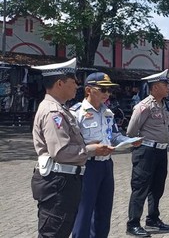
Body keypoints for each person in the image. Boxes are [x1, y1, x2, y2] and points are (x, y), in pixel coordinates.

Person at [30, 58, 113, 238]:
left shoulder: (61, 109)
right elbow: (61, 152)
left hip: (65, 180)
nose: (77, 86)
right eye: (73, 82)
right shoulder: (54, 112)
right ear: (60, 83)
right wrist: (91, 150)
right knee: (54, 232)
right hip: (58, 182)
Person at [71, 72, 142, 238]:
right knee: (84, 212)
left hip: (106, 165)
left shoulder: (107, 113)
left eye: (109, 90)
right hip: (87, 166)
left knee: (104, 211)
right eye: (103, 90)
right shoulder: (76, 113)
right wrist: (92, 148)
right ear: (89, 90)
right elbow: (71, 145)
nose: (107, 94)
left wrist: (130, 140)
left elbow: (114, 136)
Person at [125, 69, 169, 237]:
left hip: (161, 151)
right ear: (155, 87)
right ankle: (133, 223)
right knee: (140, 187)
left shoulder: (164, 104)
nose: (168, 88)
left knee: (157, 187)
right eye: (165, 85)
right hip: (146, 151)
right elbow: (131, 131)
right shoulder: (144, 106)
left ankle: (153, 218)